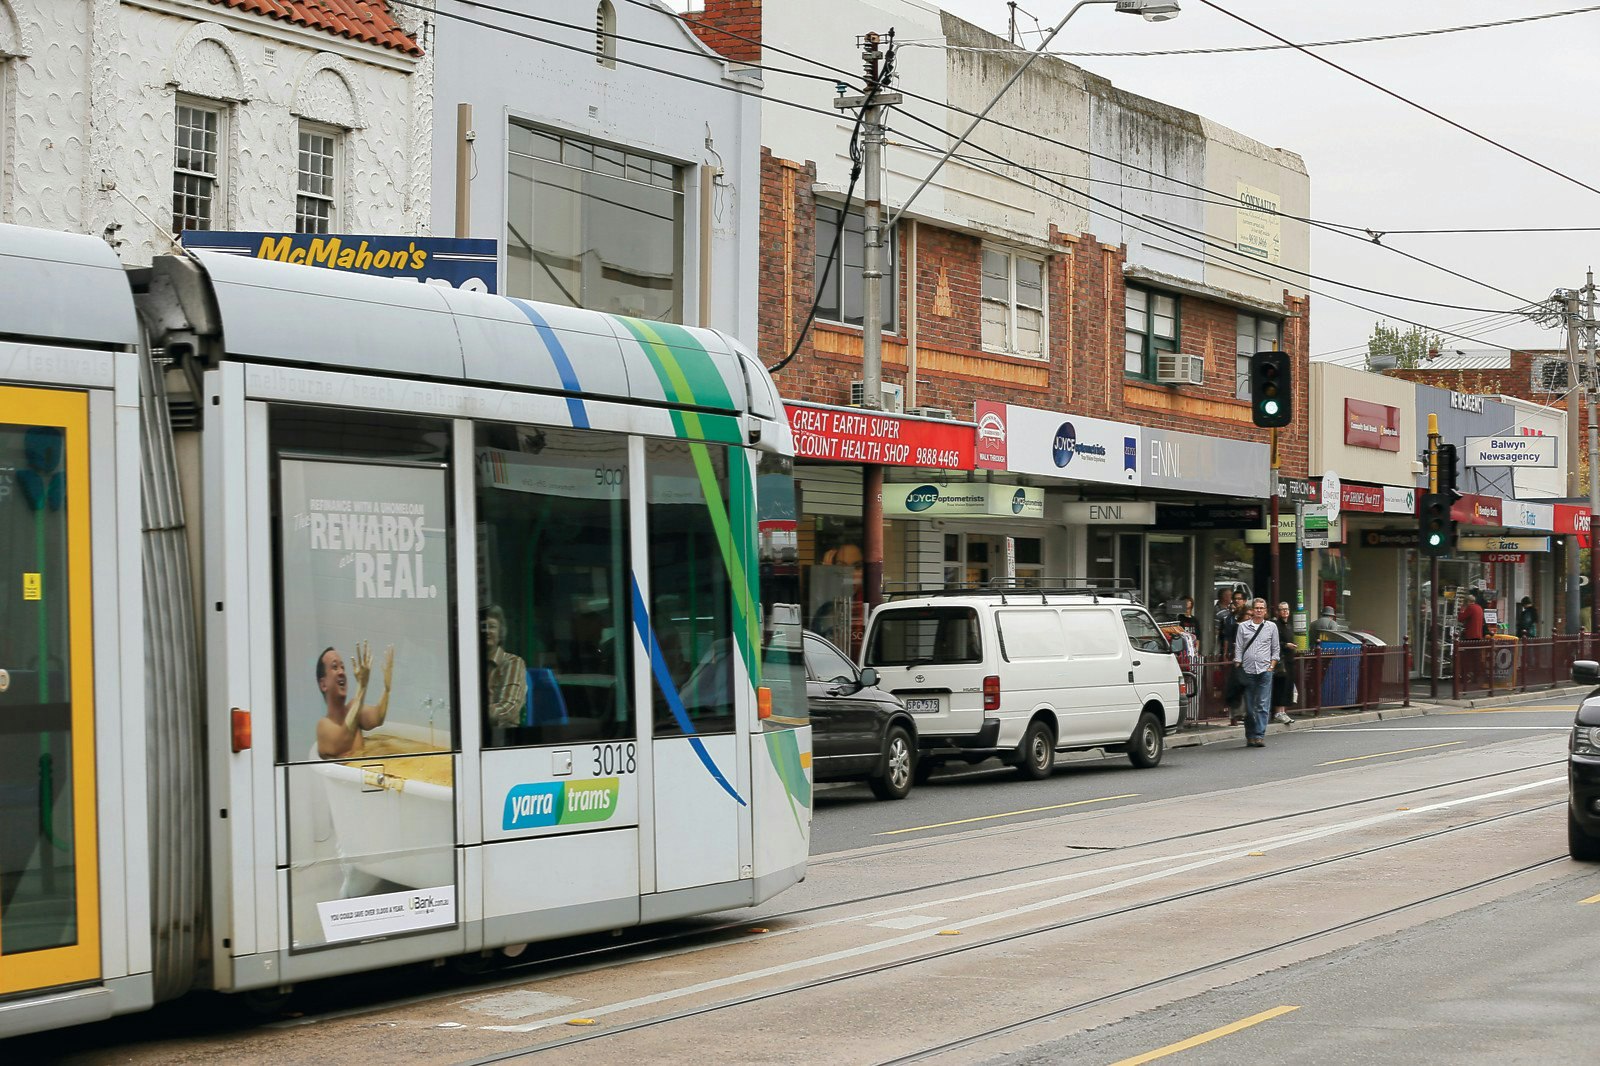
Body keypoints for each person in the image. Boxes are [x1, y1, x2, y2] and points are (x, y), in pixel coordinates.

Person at [316, 640, 395, 759]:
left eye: (343, 667)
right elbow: (344, 741)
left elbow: (378, 718)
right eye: (335, 667)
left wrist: (387, 690)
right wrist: (362, 687)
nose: (341, 672)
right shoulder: (323, 725)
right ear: (323, 684)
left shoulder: (353, 708)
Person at [1235, 598, 1280, 748]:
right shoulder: (1243, 627)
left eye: (1262, 608)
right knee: (1249, 707)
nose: (1259, 610)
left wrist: (1271, 666)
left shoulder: (1271, 627)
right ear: (1252, 610)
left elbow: (1275, 649)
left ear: (1265, 611)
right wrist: (1238, 665)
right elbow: (1238, 648)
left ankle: (1259, 735)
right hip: (1247, 671)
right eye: (1257, 608)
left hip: (1264, 670)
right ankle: (1250, 735)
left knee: (1262, 704)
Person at [482, 605, 528, 729]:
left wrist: (473, 712)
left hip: (503, 735)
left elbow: (509, 708)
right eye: (483, 627)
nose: (487, 631)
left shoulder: (513, 662)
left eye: (492, 626)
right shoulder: (469, 664)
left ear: (500, 633)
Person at [1271, 601, 1297, 726]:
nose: (1285, 611)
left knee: (1287, 686)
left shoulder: (1289, 626)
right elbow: (1274, 642)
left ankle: (1283, 711)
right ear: (1278, 612)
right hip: (1281, 660)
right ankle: (1278, 712)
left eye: (1287, 609)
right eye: (1282, 609)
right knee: (1280, 686)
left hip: (1289, 660)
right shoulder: (1276, 626)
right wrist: (1286, 645)